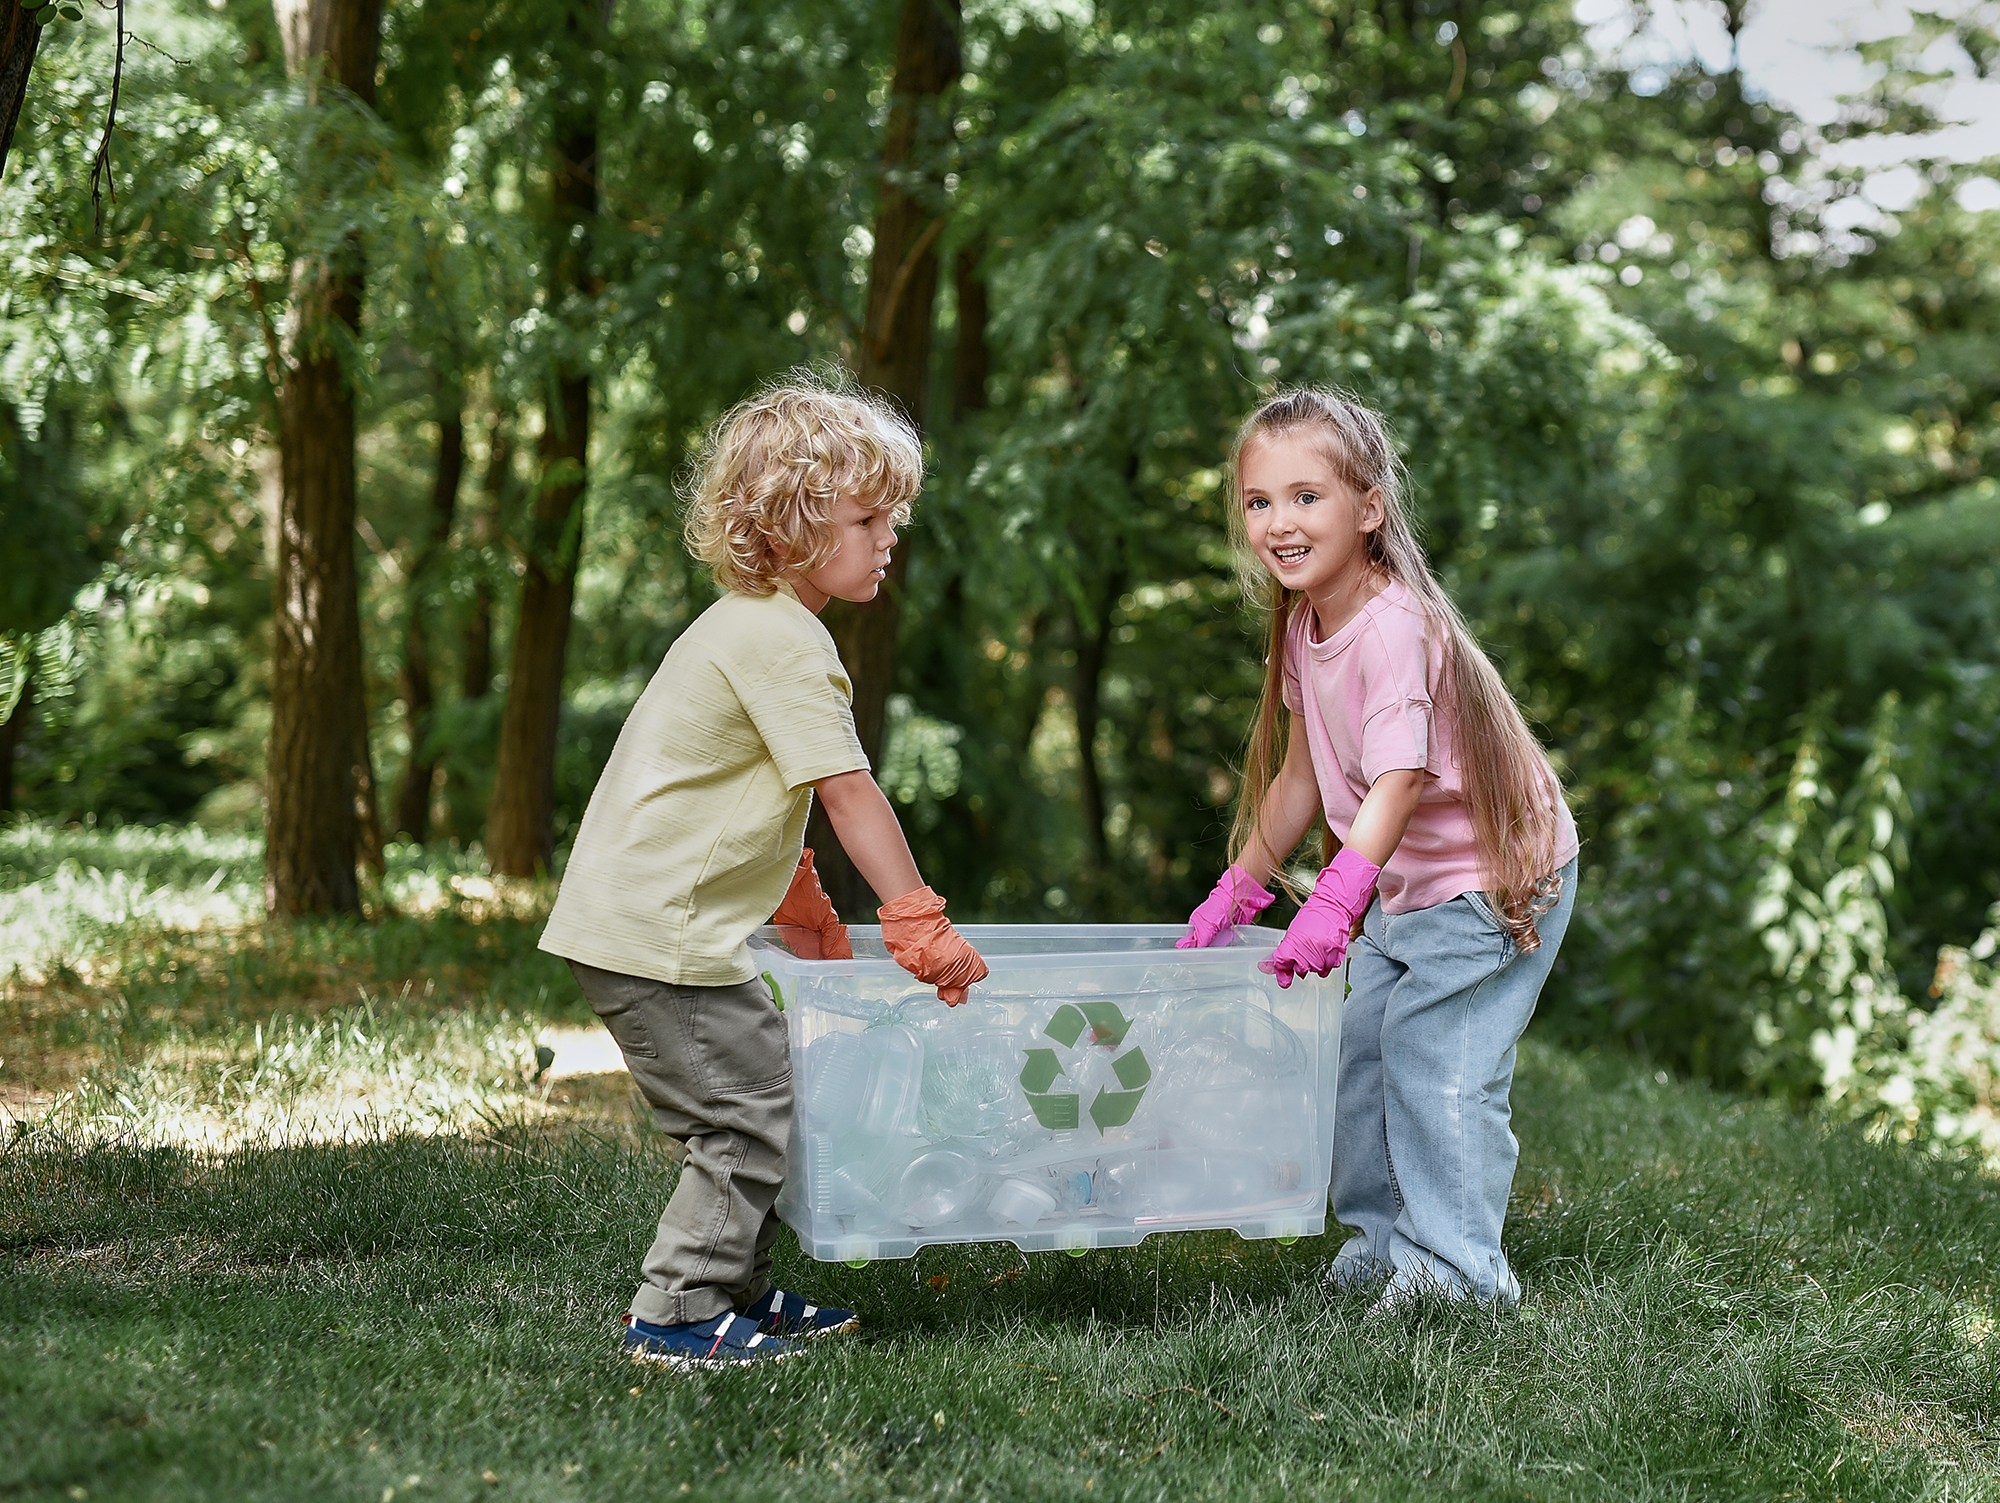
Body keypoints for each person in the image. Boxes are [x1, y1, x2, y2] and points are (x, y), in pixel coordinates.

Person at [539, 373, 988, 1368]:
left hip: (647, 919)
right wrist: (913, 917)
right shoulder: (785, 642)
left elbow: (730, 795)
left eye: (892, 517)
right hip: (660, 936)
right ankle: (680, 1311)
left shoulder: (747, 627)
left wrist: (802, 901)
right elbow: (846, 793)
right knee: (744, 1114)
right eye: (867, 517)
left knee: (761, 1092)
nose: (888, 537)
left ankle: (734, 1287)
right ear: (791, 525)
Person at [1179, 388, 1578, 1309]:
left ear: (1369, 507)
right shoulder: (1306, 619)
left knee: (1438, 1066)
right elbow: (1302, 779)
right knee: (1360, 1054)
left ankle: (1456, 1276)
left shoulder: (1394, 628)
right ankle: (1384, 1243)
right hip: (1408, 886)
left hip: (1490, 881)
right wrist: (1237, 889)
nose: (1279, 522)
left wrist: (1333, 900)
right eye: (1259, 501)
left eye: (1306, 496)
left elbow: (1395, 781)